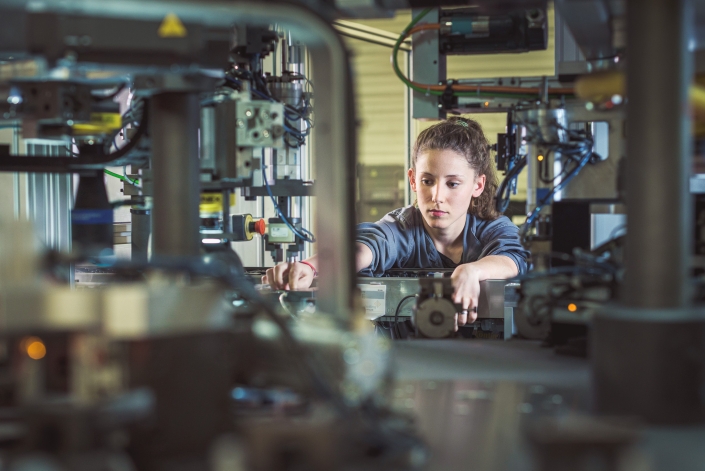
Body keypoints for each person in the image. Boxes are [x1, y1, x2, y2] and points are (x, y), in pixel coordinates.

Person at [263, 117, 529, 328]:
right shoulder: (403, 228)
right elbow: (367, 246)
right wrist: (310, 267)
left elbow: (513, 257)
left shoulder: (492, 228)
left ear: (478, 185)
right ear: (413, 180)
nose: (437, 196)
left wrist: (471, 271)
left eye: (453, 183)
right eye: (427, 181)